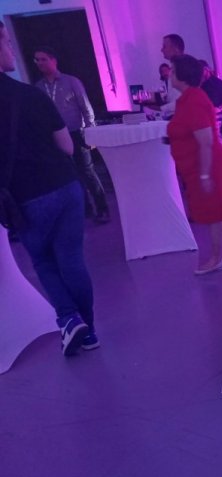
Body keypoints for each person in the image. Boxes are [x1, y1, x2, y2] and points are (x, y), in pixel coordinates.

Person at [0, 23, 99, 355]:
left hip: (25, 198)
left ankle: (69, 318)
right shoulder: (32, 94)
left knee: (43, 262)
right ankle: (89, 332)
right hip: (64, 185)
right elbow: (67, 147)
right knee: (71, 258)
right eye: (7, 42)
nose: (12, 51)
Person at [167, 54, 222, 275]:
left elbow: (205, 142)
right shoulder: (186, 99)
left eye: (172, 70)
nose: (169, 74)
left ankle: (216, 258)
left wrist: (205, 175)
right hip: (197, 166)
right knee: (213, 212)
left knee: (214, 213)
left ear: (182, 75)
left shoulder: (194, 100)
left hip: (208, 166)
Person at [33, 46, 110, 223]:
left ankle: (102, 208)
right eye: (37, 60)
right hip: (55, 137)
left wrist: (91, 132)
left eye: (43, 59)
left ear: (53, 60)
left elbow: (86, 107)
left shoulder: (71, 81)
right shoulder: (38, 87)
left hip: (76, 133)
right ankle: (85, 210)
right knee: (70, 175)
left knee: (87, 171)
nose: (39, 63)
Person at [198, 59, 222, 126]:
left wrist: (219, 108)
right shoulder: (199, 85)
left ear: (206, 69)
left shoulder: (220, 83)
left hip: (217, 119)